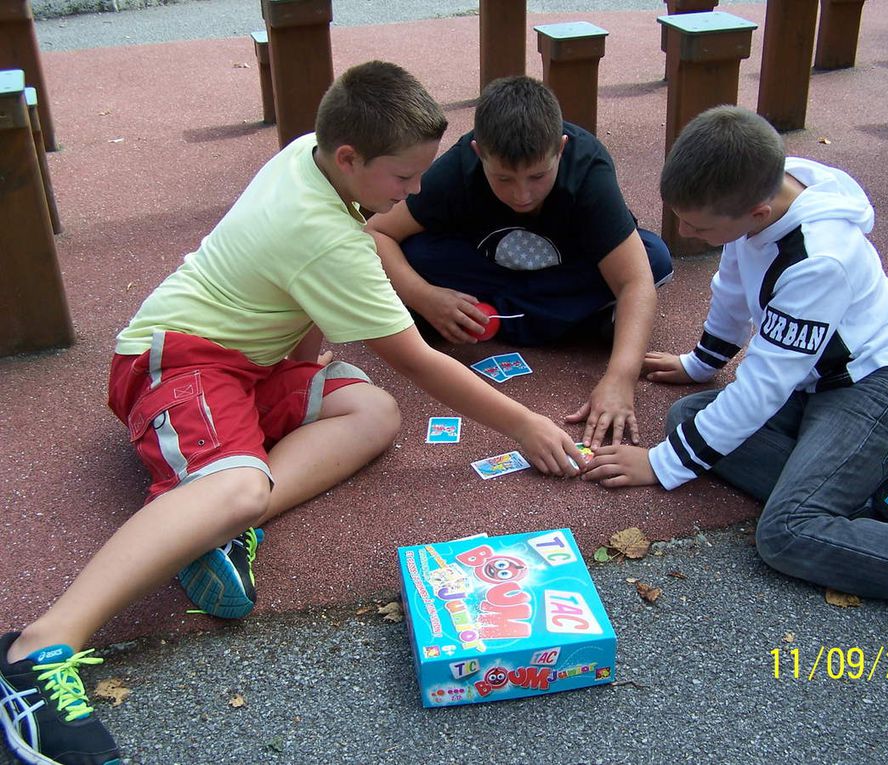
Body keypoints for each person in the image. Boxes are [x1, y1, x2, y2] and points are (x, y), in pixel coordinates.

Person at [0, 61, 585, 765]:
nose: (414, 191)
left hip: (246, 364)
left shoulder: (312, 153)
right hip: (173, 365)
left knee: (371, 411)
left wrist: (304, 364)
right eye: (403, 177)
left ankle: (211, 527)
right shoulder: (328, 237)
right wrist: (525, 424)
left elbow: (301, 293)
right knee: (241, 487)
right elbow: (417, 360)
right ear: (351, 157)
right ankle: (36, 651)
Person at [583, 105, 888, 637]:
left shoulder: (818, 261)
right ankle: (878, 493)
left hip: (881, 390)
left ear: (758, 213)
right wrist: (700, 365)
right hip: (816, 384)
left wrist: (662, 464)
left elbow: (765, 385)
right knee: (688, 417)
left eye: (698, 226)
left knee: (787, 532)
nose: (684, 231)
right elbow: (733, 291)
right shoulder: (753, 193)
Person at [366, 76, 674, 448]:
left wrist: (620, 378)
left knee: (653, 258)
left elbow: (634, 281)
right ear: (479, 153)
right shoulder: (460, 165)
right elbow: (377, 233)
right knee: (416, 254)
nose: (522, 195)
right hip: (490, 272)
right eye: (504, 179)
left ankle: (513, 317)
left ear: (561, 149)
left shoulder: (588, 168)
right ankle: (575, 320)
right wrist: (424, 296)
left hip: (557, 274)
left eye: (538, 176)